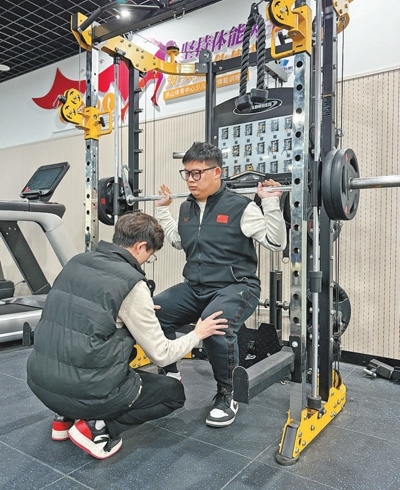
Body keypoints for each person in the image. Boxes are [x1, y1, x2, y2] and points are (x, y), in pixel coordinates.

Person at [26, 212, 228, 460]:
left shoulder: (77, 262)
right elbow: (162, 355)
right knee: (173, 394)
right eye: (149, 256)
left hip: (41, 382)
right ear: (140, 246)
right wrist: (198, 333)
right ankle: (97, 427)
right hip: (86, 389)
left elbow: (88, 311)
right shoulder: (132, 283)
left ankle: (64, 418)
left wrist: (137, 310)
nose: (146, 261)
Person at [154, 141, 287, 428]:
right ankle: (171, 374)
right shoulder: (186, 208)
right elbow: (178, 241)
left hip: (236, 286)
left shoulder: (241, 207)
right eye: (186, 174)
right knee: (155, 311)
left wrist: (270, 202)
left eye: (197, 173)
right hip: (195, 287)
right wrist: (163, 211)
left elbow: (276, 242)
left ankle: (228, 394)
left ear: (217, 172)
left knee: (215, 324)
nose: (190, 180)